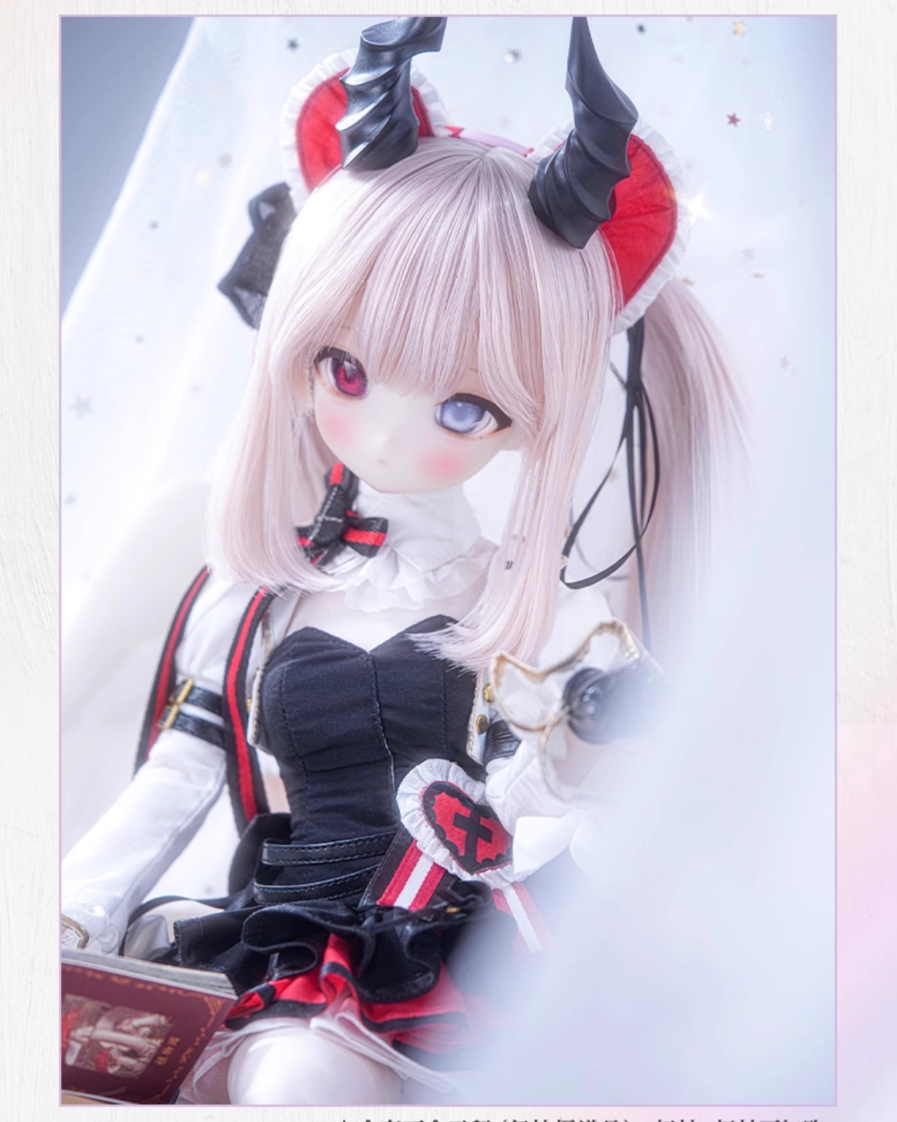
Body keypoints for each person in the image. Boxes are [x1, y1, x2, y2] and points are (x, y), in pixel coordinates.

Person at [61, 17, 743, 1105]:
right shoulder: (256, 599)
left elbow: (549, 797)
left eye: (465, 406)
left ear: (527, 421)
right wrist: (73, 908)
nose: (384, 431)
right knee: (284, 1080)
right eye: (346, 369)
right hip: (292, 943)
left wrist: (592, 746)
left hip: (466, 947)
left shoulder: (528, 606)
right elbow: (180, 776)